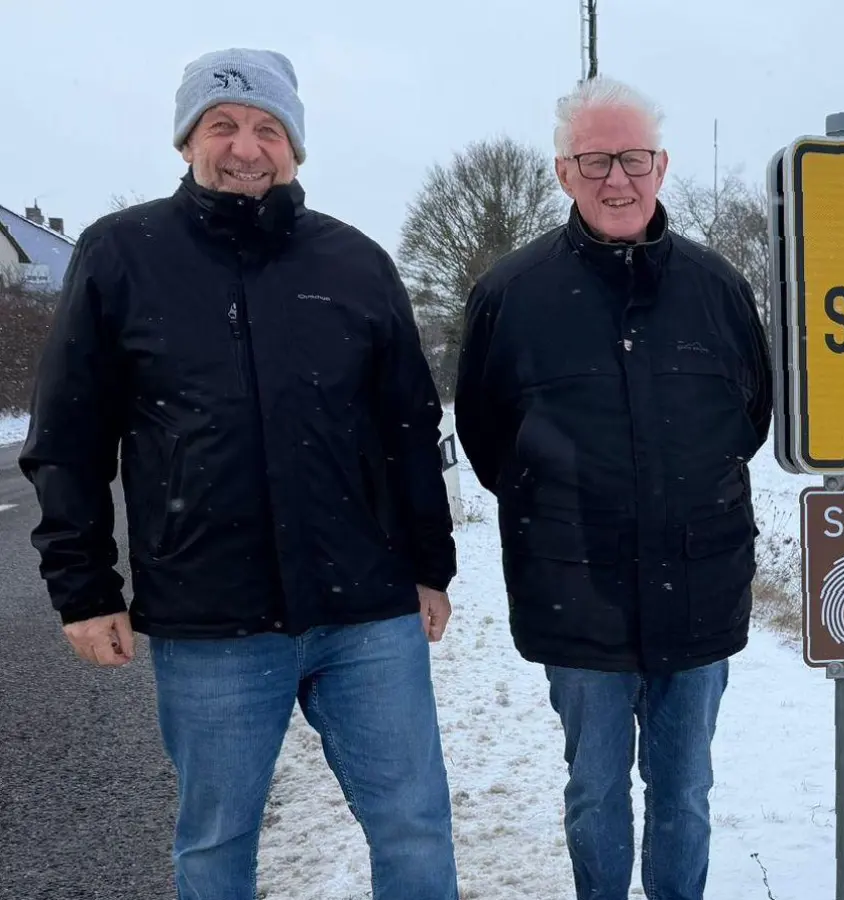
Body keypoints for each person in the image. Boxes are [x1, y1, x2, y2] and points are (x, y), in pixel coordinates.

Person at [18, 48, 460, 900]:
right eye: (222, 125)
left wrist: (429, 567)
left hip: (367, 613)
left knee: (414, 823)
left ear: (295, 146)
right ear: (187, 140)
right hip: (210, 619)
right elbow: (70, 437)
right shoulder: (122, 254)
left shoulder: (356, 262)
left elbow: (408, 429)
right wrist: (84, 589)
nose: (246, 147)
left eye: (268, 128)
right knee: (216, 844)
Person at [454, 74, 773, 900]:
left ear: (662, 166)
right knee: (595, 790)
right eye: (595, 161)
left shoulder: (718, 289)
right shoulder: (511, 295)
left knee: (685, 791)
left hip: (699, 589)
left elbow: (749, 420)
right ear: (563, 172)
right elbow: (489, 443)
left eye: (634, 159)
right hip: (575, 598)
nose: (617, 179)